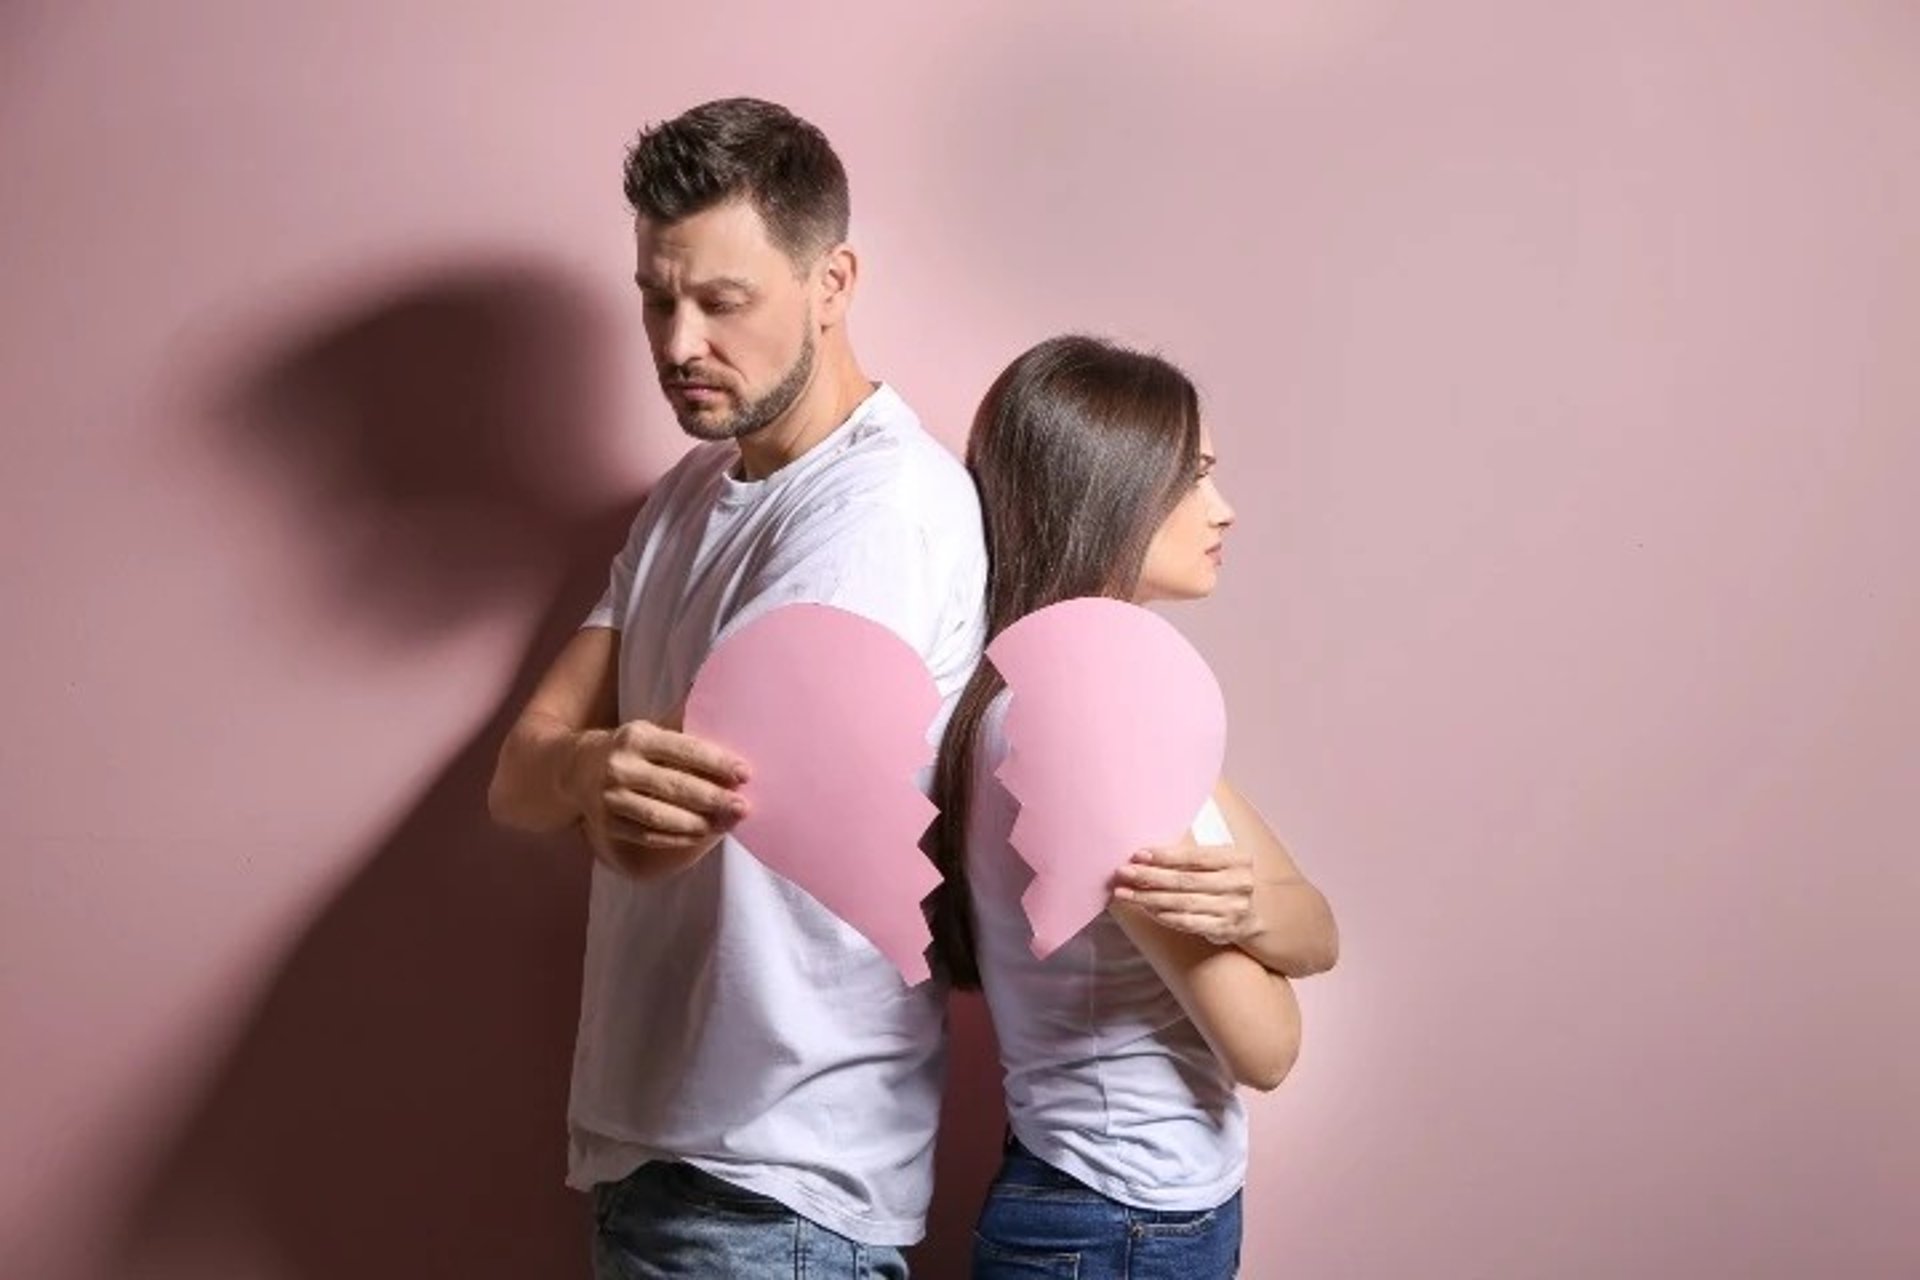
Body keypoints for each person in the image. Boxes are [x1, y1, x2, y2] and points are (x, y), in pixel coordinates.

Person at [487, 98, 987, 1279]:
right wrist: (586, 766)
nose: (675, 342)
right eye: (656, 298)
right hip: (667, 1162)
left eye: (722, 300)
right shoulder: (685, 497)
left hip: (773, 1188)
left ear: (832, 281)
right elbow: (522, 770)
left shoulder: (882, 511)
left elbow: (675, 828)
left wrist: (597, 777)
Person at [927, 335, 1340, 1279]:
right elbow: (1268, 1047)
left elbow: (1318, 929)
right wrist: (1267, 928)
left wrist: (1249, 912)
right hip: (1115, 1226)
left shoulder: (1068, 689)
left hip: (1116, 1212)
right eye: (1190, 478)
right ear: (1109, 491)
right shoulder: (1084, 723)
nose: (1224, 510)